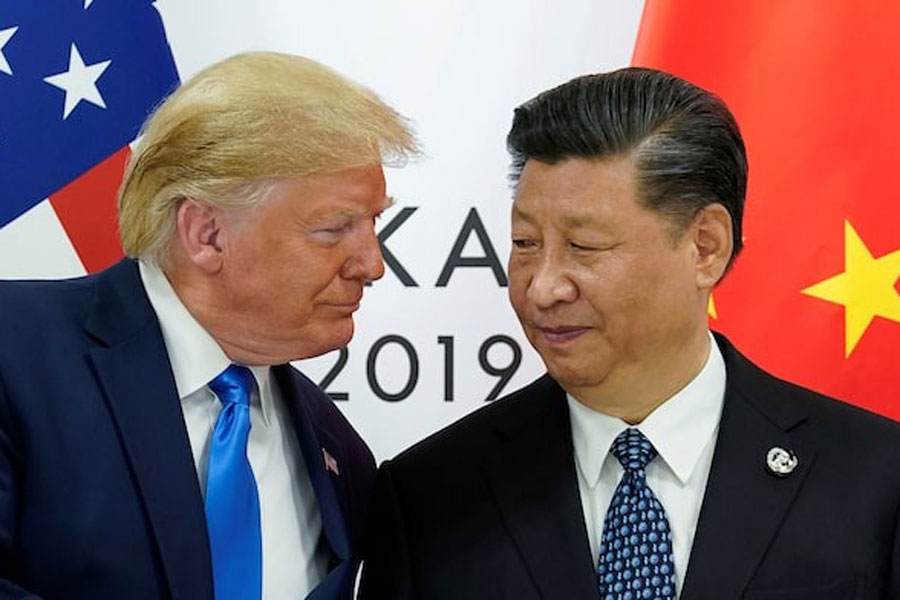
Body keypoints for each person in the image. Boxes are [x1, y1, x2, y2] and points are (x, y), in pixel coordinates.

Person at [359, 68, 900, 599]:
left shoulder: (877, 479)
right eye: (525, 243)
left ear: (705, 246)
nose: (542, 288)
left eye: (584, 246)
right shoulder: (430, 496)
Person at [0, 52, 417, 600]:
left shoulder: (339, 450)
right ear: (207, 234)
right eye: (334, 228)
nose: (372, 263)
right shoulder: (14, 353)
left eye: (372, 223)